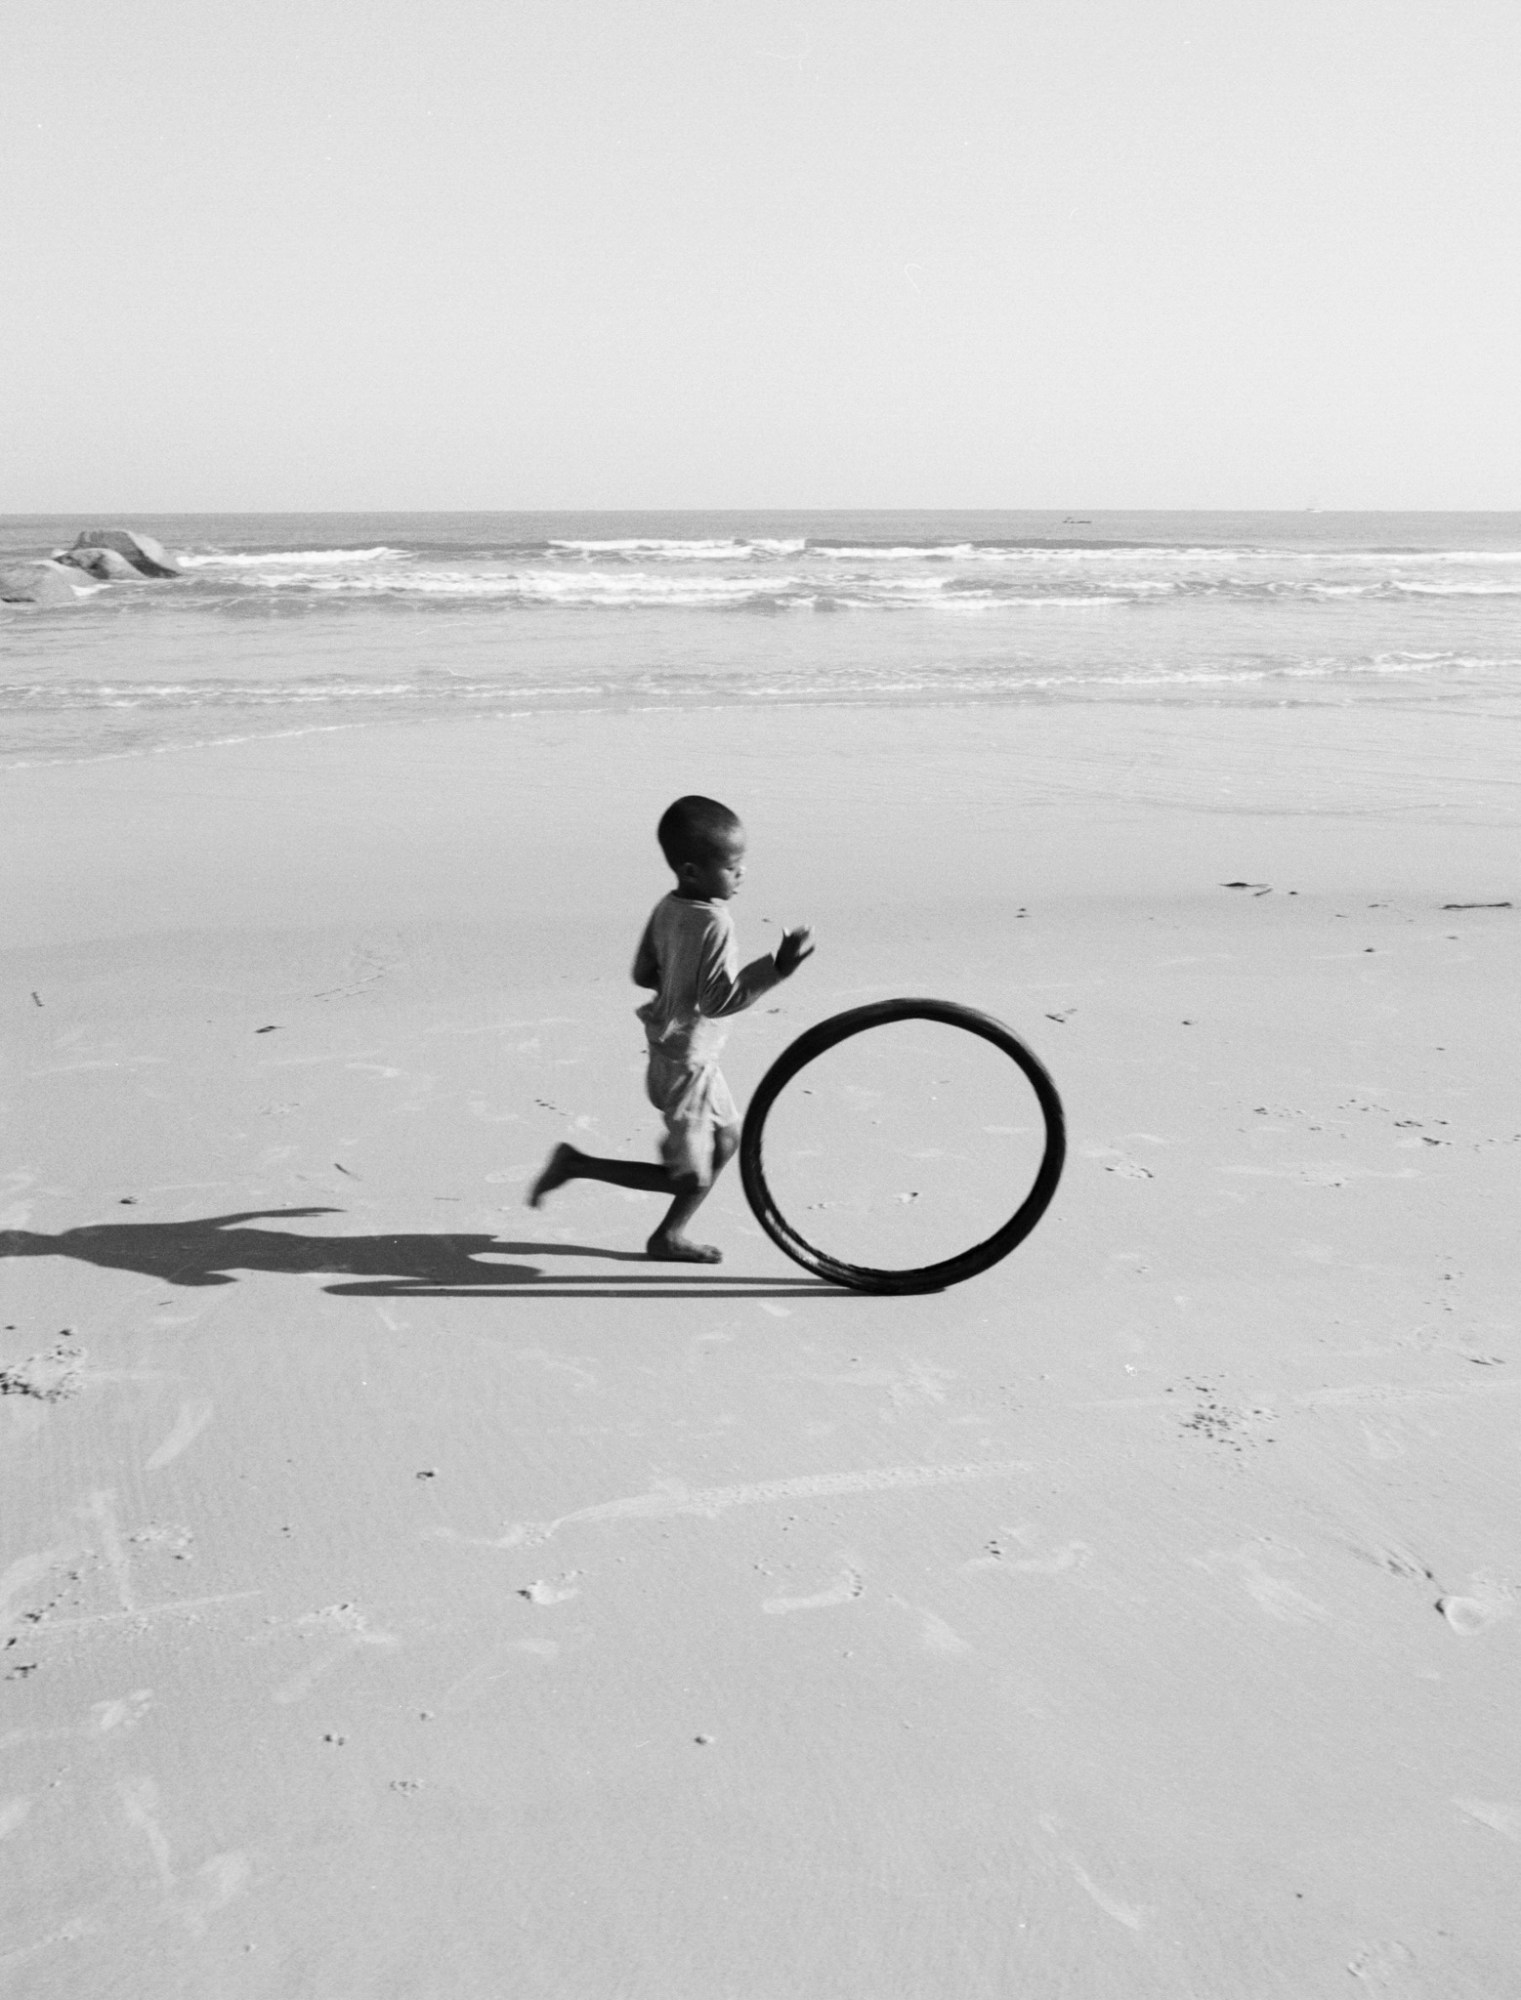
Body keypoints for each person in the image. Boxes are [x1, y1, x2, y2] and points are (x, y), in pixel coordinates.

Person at [528, 795, 814, 1262]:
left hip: (676, 1052)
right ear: (692, 870)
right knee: (691, 1177)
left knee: (726, 1140)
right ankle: (577, 1164)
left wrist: (676, 981)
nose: (741, 874)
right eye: (731, 866)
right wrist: (778, 967)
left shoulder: (668, 905)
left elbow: (642, 973)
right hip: (688, 1066)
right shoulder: (716, 923)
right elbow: (719, 1001)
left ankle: (669, 1235)